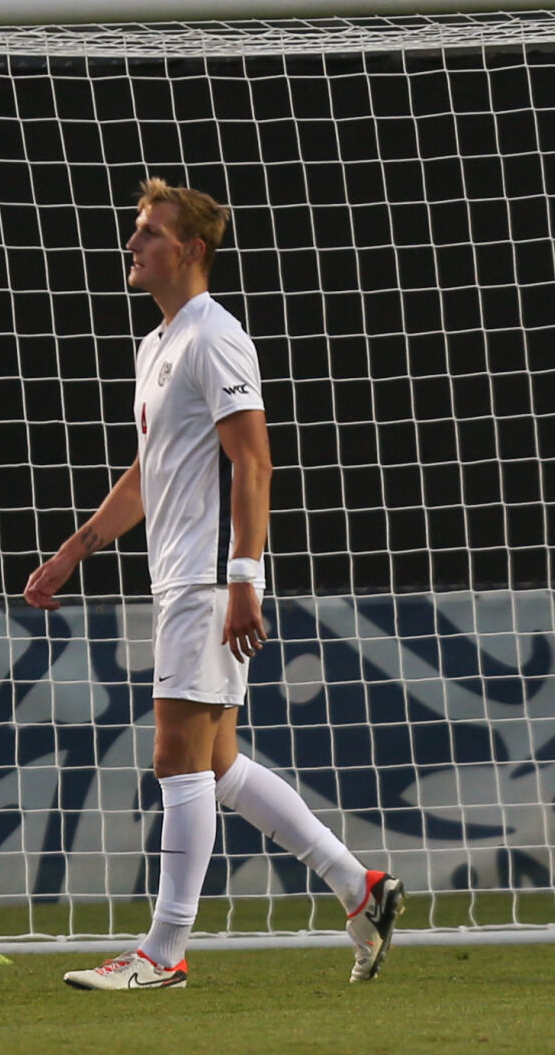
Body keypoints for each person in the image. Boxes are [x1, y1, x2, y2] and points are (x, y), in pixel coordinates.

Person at [23, 179, 405, 990]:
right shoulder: (156, 344)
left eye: (148, 233)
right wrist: (74, 550)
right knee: (218, 761)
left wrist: (242, 580)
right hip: (178, 576)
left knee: (175, 758)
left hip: (205, 576)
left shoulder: (214, 336)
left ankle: (161, 953)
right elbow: (146, 474)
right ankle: (357, 886)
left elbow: (253, 462)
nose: (132, 245)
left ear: (189, 250)